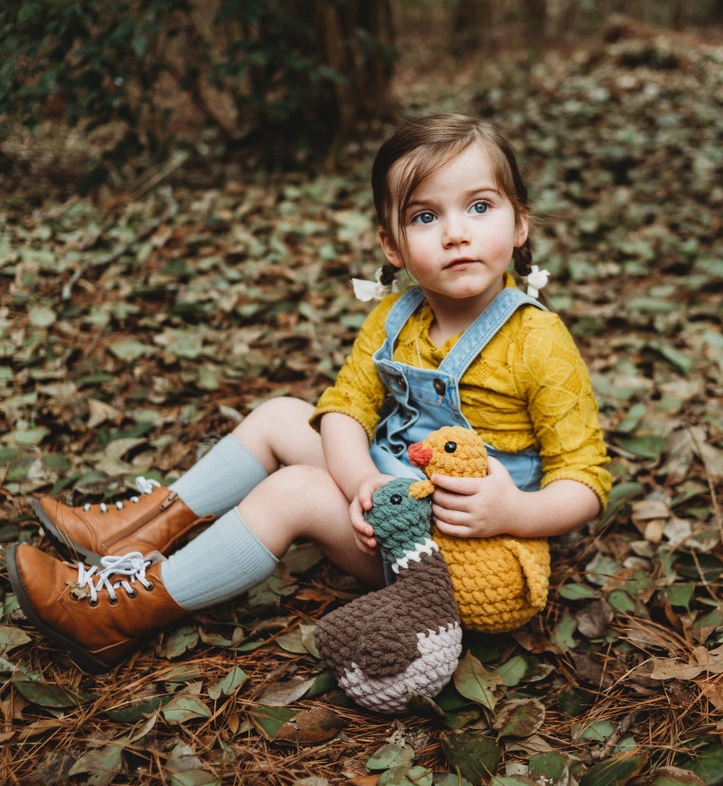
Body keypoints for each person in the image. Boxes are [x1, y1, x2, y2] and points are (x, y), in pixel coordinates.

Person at [7, 114, 611, 675]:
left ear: (520, 222)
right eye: (425, 217)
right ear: (393, 247)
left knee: (293, 490)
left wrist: (514, 512)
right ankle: (134, 534)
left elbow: (585, 480)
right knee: (279, 416)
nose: (455, 233)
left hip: (480, 551)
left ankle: (116, 618)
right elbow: (346, 408)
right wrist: (361, 486)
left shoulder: (539, 342)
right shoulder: (398, 316)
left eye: (479, 206)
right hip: (397, 503)